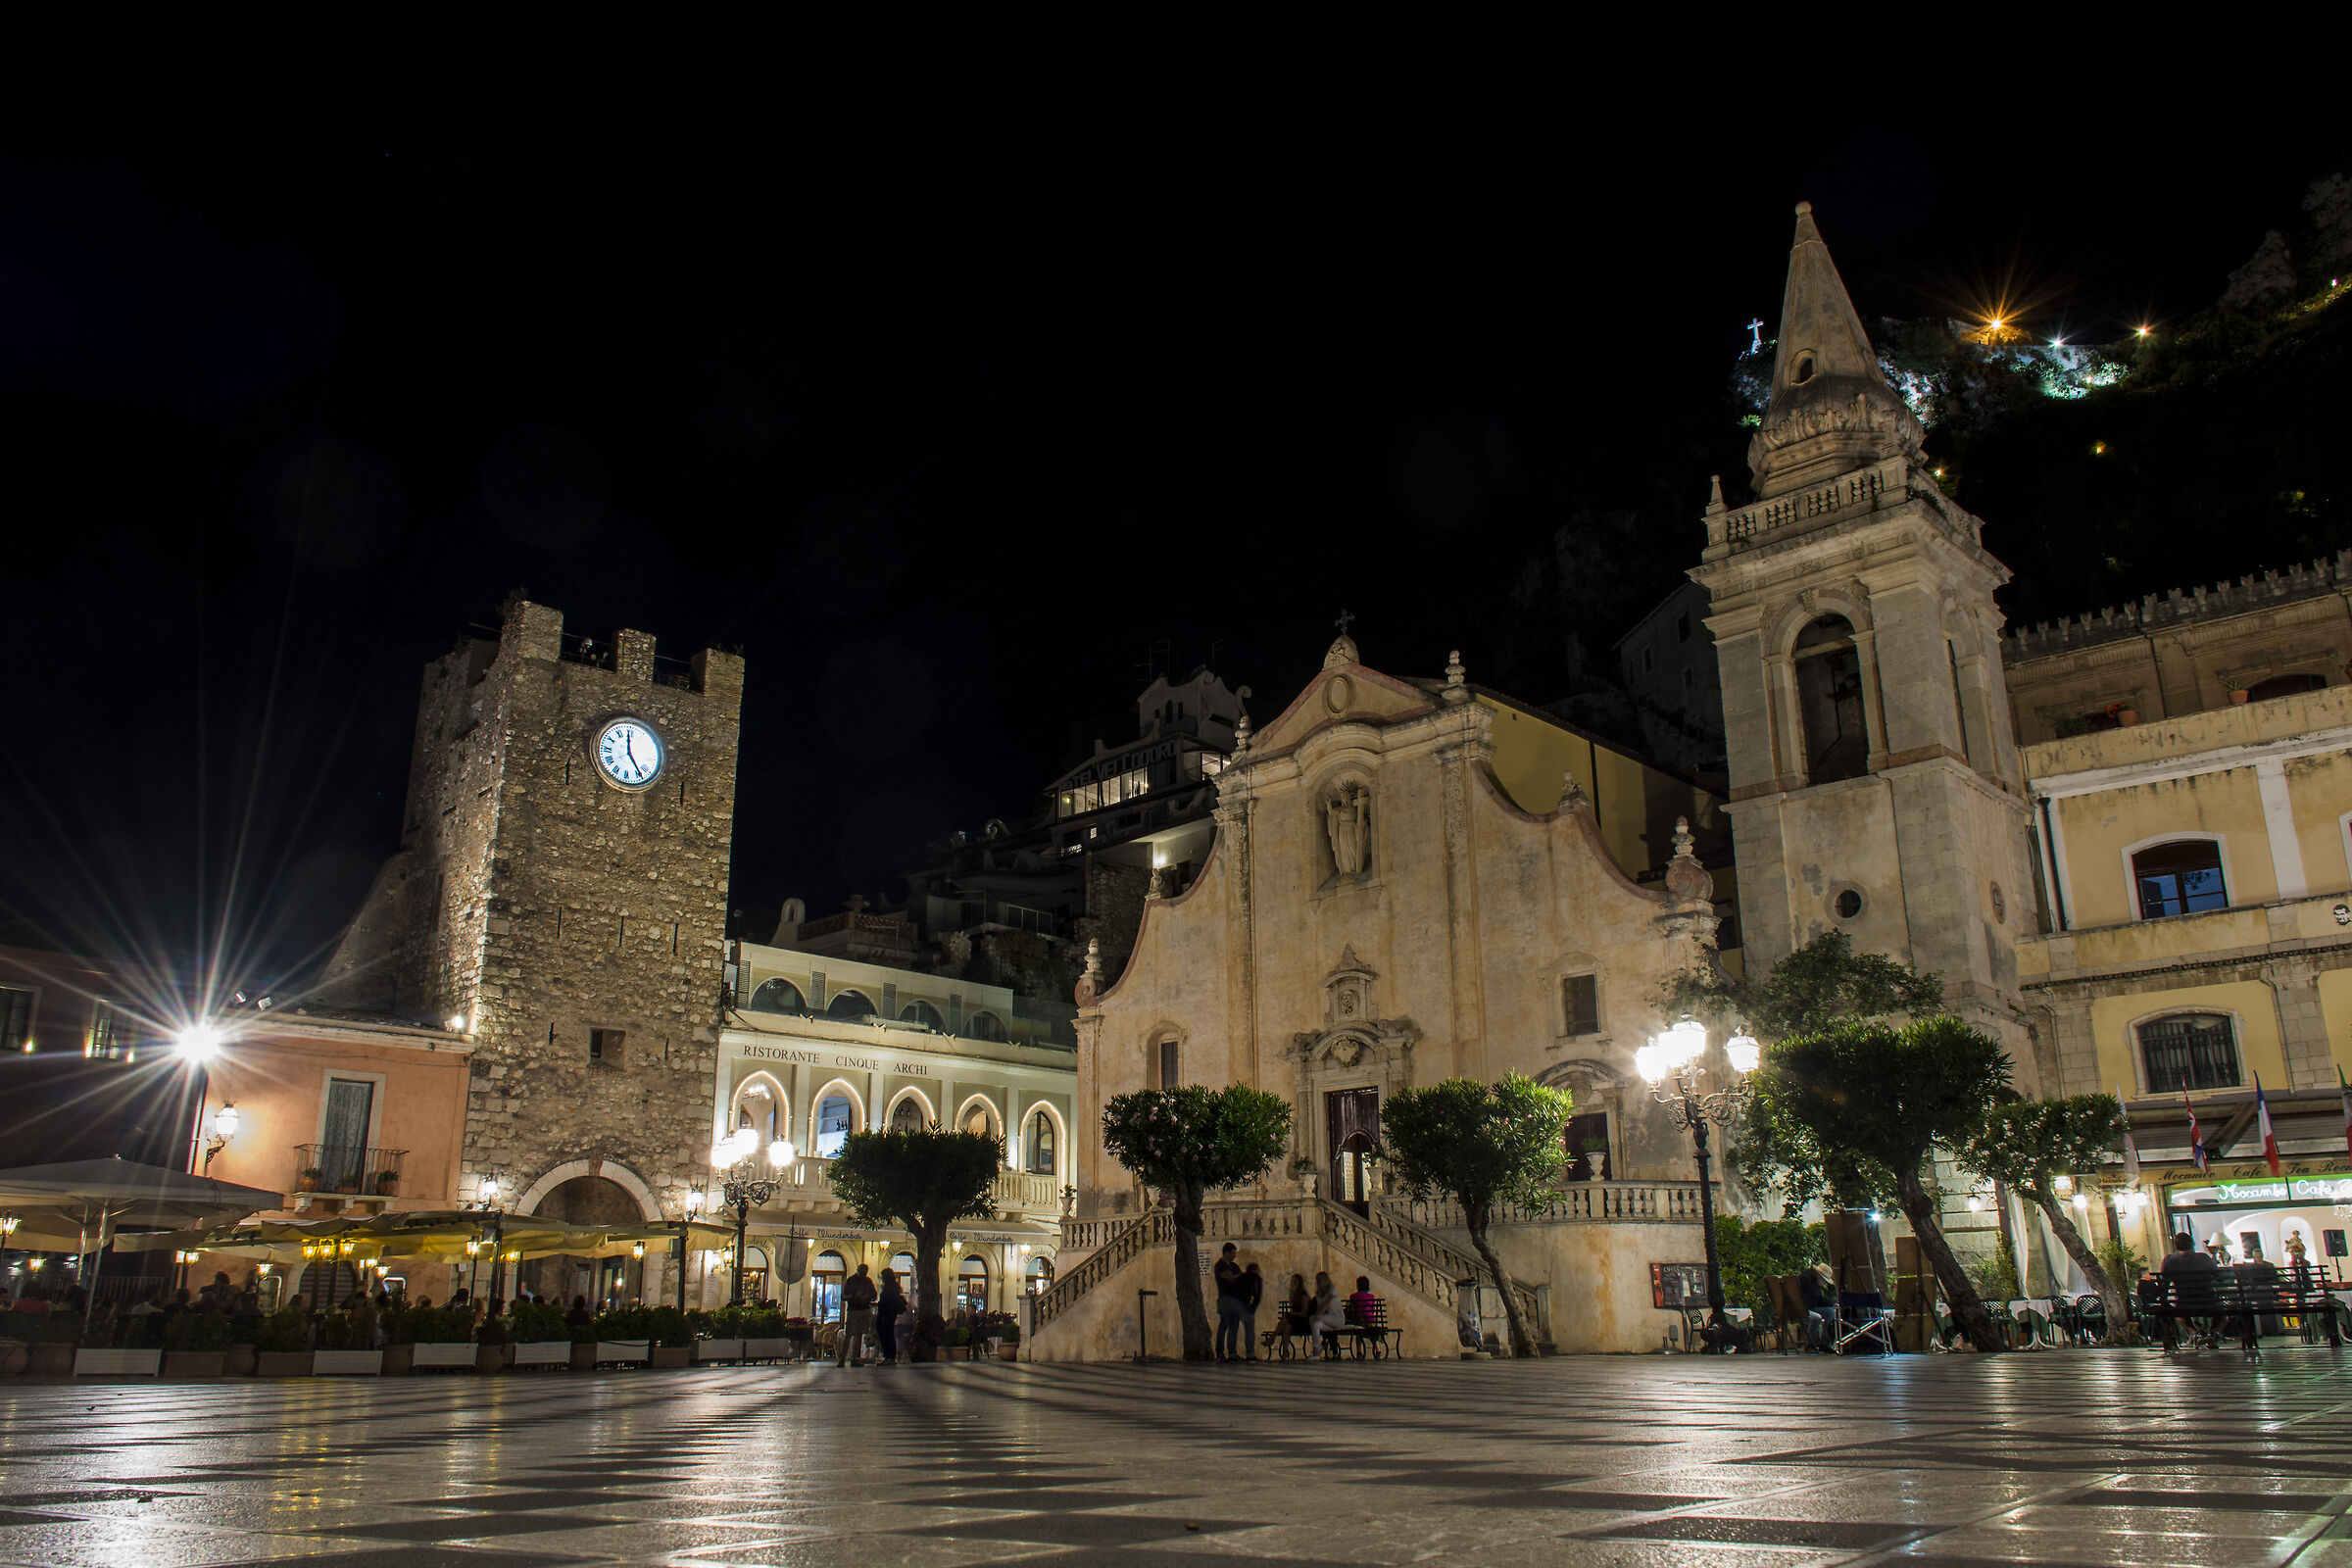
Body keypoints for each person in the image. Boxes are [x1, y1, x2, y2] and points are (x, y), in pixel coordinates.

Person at [2157, 1231, 2221, 1351]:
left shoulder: (2169, 1260)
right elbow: (2220, 1278)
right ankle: (2212, 1334)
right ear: (2192, 1243)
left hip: (2184, 1302)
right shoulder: (2203, 1257)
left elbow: (2164, 1283)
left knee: (2179, 1315)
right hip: (2208, 1301)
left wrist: (2163, 1301)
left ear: (2175, 1246)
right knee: (2222, 1316)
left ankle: (2196, 1333)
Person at [838, 1263, 878, 1366]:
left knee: (859, 1335)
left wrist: (867, 1297)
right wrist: (854, 1296)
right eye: (862, 1270)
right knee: (849, 1334)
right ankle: (842, 1359)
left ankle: (854, 1358)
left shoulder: (868, 1281)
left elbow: (874, 1295)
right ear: (858, 1270)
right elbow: (843, 1296)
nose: (864, 1272)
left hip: (864, 1309)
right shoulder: (851, 1280)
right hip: (854, 1310)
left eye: (865, 1270)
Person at [1212, 1243, 1247, 1362]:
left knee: (1234, 1326)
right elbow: (1230, 1278)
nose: (1234, 1256)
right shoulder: (1220, 1266)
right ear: (1226, 1252)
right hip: (1225, 1300)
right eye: (1233, 1253)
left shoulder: (1234, 1266)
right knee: (1224, 1326)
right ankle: (1220, 1353)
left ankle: (1232, 1353)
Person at [1306, 1271, 1347, 1359]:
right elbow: (1319, 1307)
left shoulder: (1332, 1289)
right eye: (1318, 1280)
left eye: (1321, 1280)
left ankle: (1318, 1349)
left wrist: (1317, 1316)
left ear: (1326, 1280)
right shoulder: (1318, 1294)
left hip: (1337, 1319)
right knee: (1315, 1323)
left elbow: (1327, 1303)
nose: (1319, 1282)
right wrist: (1316, 1316)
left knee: (1314, 1319)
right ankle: (1316, 1351)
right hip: (1328, 1321)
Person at [875, 1268, 906, 1366]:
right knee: (887, 1335)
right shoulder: (894, 1286)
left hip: (887, 1314)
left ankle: (889, 1357)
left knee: (887, 1335)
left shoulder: (890, 1287)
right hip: (888, 1313)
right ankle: (889, 1357)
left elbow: (887, 1301)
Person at [1276, 1273, 1311, 1359]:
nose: (1293, 1284)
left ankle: (1272, 1338)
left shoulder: (1304, 1296)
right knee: (1286, 1327)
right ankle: (1285, 1352)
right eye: (1292, 1282)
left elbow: (1304, 1314)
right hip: (1296, 1322)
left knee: (1286, 1319)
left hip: (1304, 1323)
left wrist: (1291, 1314)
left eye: (1295, 1282)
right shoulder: (1293, 1296)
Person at [1239, 1262, 1265, 1362]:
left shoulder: (1241, 1277)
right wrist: (1252, 1309)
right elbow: (1257, 1295)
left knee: (1232, 1328)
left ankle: (1231, 1353)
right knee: (1250, 1330)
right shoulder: (1256, 1278)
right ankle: (1250, 1354)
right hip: (1245, 1306)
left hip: (1232, 1303)